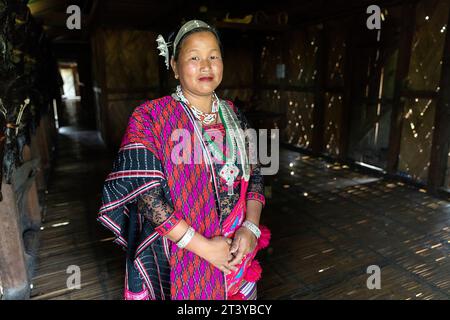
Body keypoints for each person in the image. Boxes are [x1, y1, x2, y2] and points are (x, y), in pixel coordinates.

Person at [98, 20, 270, 300]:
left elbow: (256, 175)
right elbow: (147, 197)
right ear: (174, 66)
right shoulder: (150, 118)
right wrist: (206, 249)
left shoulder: (234, 114)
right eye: (194, 57)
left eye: (214, 56)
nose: (206, 65)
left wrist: (250, 229)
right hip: (181, 255)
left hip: (239, 252)